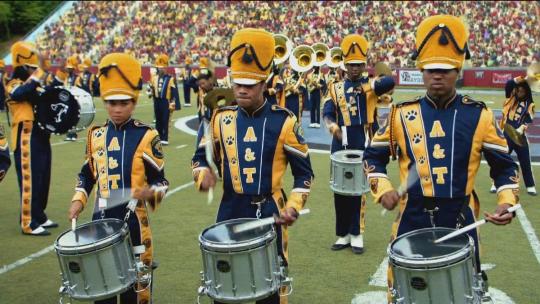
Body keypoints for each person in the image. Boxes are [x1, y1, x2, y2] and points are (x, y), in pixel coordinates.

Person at [362, 15, 519, 302]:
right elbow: (373, 156)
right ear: (421, 69)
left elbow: (505, 166)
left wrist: (507, 202)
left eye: (445, 69)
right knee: (403, 295)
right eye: (431, 68)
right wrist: (382, 189)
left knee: (462, 295)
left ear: (458, 69)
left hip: (460, 217)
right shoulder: (400, 114)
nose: (437, 75)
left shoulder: (479, 115)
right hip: (411, 217)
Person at [191, 28, 314, 304]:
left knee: (269, 292)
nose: (243, 89)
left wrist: (293, 205)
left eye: (251, 82)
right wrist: (203, 175)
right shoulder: (220, 119)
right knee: (224, 289)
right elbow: (199, 157)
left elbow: (304, 175)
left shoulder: (285, 121)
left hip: (270, 211)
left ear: (265, 82)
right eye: (238, 82)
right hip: (229, 210)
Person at [68, 52, 169, 304]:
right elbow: (87, 174)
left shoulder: (146, 135)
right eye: (111, 102)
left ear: (133, 102)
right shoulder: (95, 135)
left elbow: (161, 181)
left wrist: (149, 193)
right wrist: (79, 199)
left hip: (133, 222)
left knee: (133, 290)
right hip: (99, 220)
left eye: (123, 103)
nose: (117, 108)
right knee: (102, 288)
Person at [322, 34, 395, 254]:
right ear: (345, 64)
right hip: (341, 143)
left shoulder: (371, 86)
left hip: (363, 142)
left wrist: (364, 86)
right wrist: (332, 128)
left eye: (359, 65)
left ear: (364, 65)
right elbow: (326, 113)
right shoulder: (334, 88)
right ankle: (343, 234)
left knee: (359, 190)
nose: (355, 69)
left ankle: (357, 234)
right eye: (351, 65)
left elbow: (390, 82)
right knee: (340, 190)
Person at [5, 41, 57, 235]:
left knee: (43, 177)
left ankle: (39, 214)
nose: (33, 71)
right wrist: (39, 72)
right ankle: (27, 221)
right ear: (21, 66)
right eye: (31, 68)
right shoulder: (12, 83)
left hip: (40, 134)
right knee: (30, 179)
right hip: (25, 136)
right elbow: (20, 93)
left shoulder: (33, 84)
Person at [491, 76, 536, 195]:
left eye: (522, 91)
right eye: (518, 90)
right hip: (506, 131)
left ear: (526, 91)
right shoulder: (510, 97)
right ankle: (495, 183)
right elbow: (509, 84)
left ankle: (530, 185)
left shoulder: (530, 104)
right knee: (501, 159)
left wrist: (522, 127)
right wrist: (521, 78)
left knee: (525, 160)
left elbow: (529, 117)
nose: (519, 92)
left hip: (519, 135)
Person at [148, 53, 180, 145]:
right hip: (157, 101)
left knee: (165, 119)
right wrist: (150, 93)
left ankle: (165, 138)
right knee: (158, 120)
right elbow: (151, 88)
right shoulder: (154, 78)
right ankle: (158, 137)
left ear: (166, 68)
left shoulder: (170, 78)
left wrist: (173, 103)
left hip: (165, 101)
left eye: (162, 67)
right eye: (159, 67)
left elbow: (174, 92)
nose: (160, 69)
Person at [64, 55, 79, 141]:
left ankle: (73, 134)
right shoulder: (66, 77)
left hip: (74, 99)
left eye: (70, 68)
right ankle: (69, 134)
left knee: (73, 117)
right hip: (67, 99)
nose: (68, 69)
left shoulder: (76, 77)